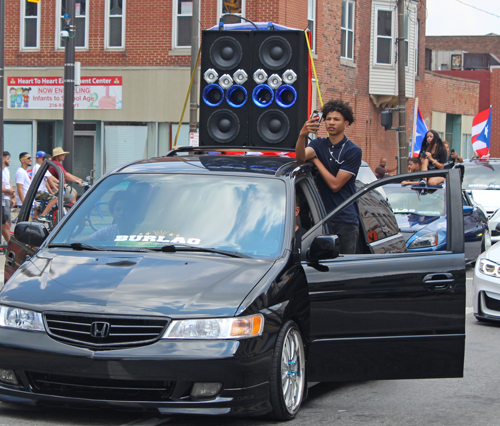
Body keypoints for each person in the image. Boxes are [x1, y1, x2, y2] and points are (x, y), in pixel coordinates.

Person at [296, 99, 362, 254]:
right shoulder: (319, 144)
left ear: (346, 123)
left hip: (345, 219)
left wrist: (316, 160)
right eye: (328, 119)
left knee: (343, 268)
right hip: (322, 217)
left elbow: (335, 185)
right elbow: (300, 158)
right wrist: (302, 135)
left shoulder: (353, 151)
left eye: (336, 119)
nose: (331, 123)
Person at [32, 151, 59, 219]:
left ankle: (37, 216)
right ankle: (43, 216)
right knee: (54, 199)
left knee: (43, 204)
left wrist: (59, 183)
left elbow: (48, 179)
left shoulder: (41, 166)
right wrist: (57, 189)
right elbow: (49, 179)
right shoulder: (39, 167)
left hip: (41, 190)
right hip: (38, 191)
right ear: (41, 159)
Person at [2, 152, 15, 244]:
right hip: (2, 200)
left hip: (7, 198)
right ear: (3, 159)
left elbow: (9, 183)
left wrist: (11, 195)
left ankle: (8, 242)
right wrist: (9, 191)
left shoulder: (6, 170)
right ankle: (10, 243)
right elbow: (3, 187)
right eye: (8, 158)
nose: (9, 160)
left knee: (9, 223)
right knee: (4, 224)